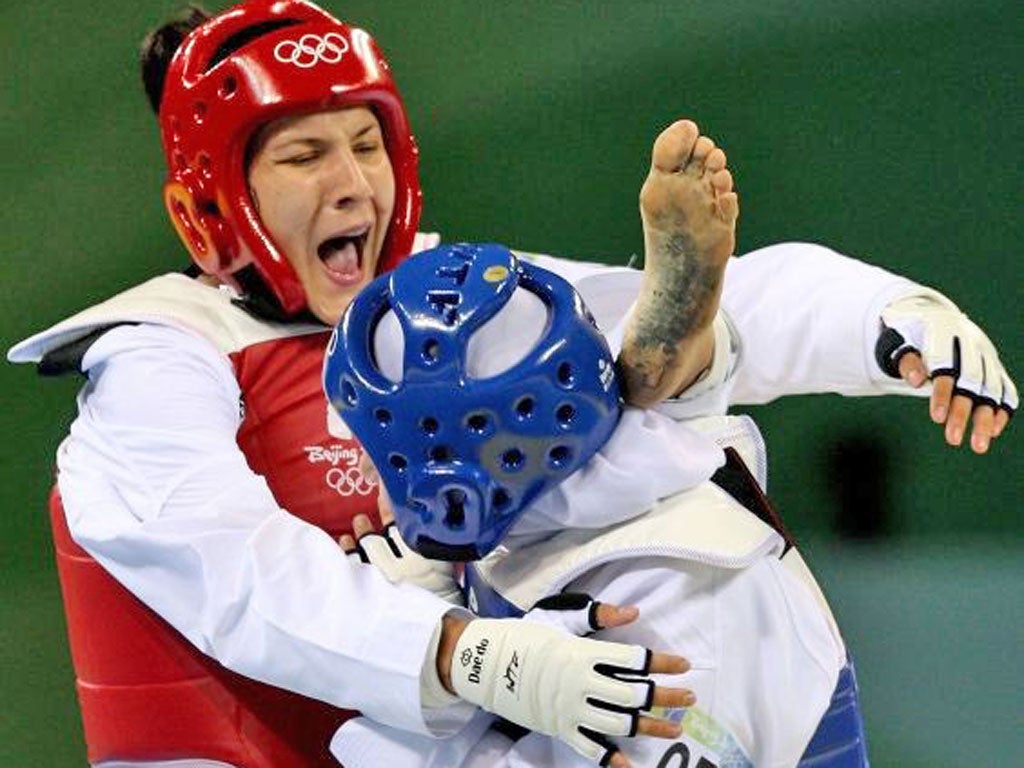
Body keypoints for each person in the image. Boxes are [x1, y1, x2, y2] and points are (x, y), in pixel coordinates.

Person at [6, 0, 1014, 766]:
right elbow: (233, 569)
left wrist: (891, 320)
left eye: (366, 143)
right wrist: (481, 657)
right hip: (292, 741)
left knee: (626, 408)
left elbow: (644, 310)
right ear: (211, 204)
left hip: (466, 723)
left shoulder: (435, 306)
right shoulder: (155, 356)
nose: (352, 182)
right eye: (305, 155)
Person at [322, 238, 1016, 767]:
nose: (360, 464)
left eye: (376, 444)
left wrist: (416, 650)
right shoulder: (593, 512)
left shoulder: (671, 619)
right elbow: (724, 307)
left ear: (453, 476)